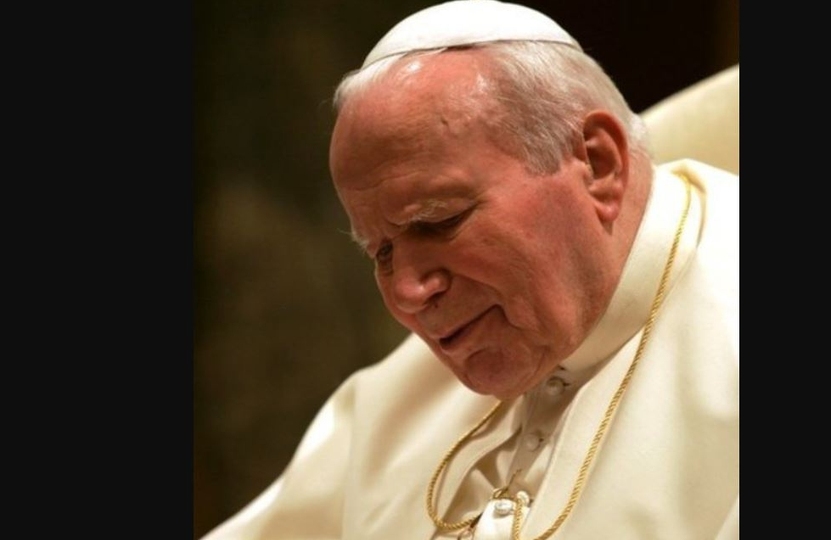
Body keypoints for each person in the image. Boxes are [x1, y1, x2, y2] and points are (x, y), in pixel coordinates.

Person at [200, 0, 739, 538]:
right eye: (381, 252)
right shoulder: (398, 402)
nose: (408, 293)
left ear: (597, 165)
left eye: (440, 221)